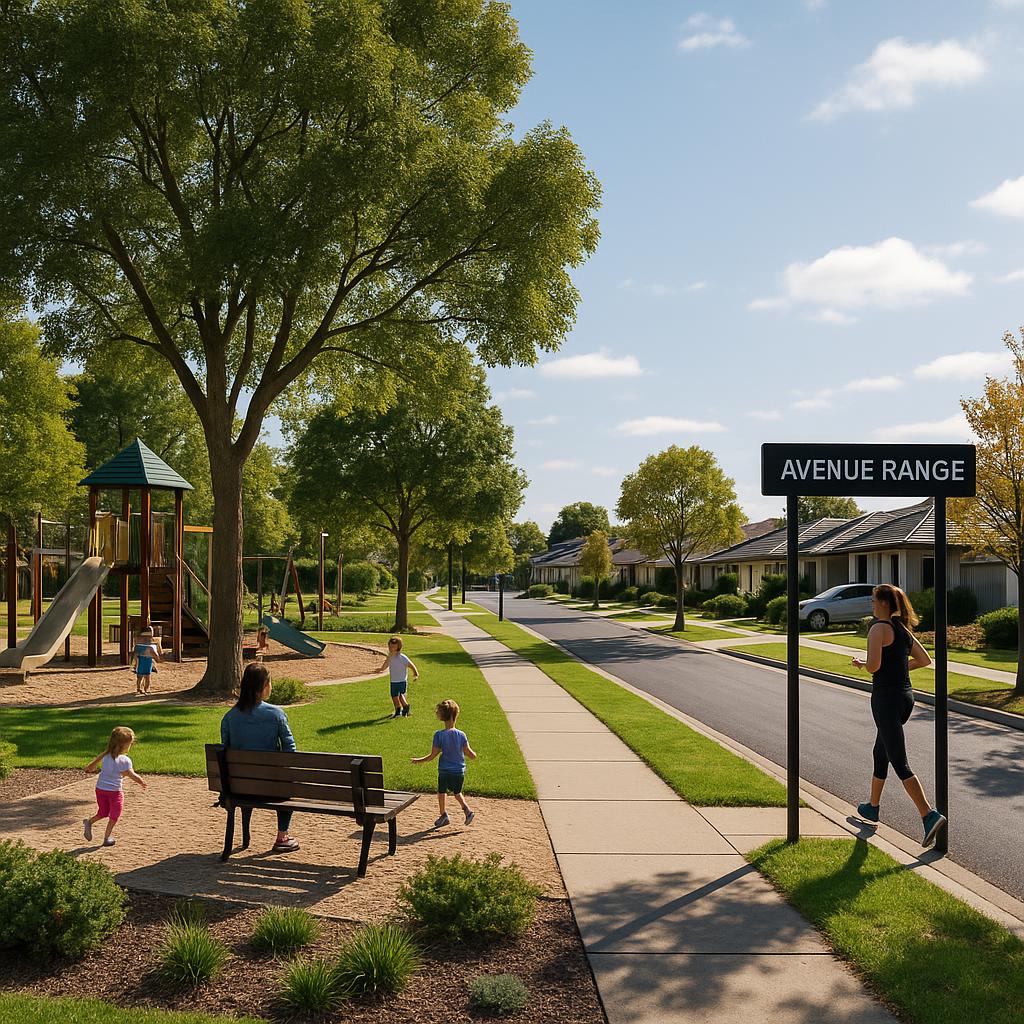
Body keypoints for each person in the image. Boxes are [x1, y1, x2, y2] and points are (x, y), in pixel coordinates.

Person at [852, 583, 946, 847]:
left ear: (884, 603)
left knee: (899, 761)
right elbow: (924, 660)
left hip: (886, 699)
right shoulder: (902, 629)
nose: (872, 604)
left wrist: (865, 664)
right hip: (905, 698)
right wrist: (893, 667)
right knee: (880, 752)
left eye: (874, 600)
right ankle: (872, 807)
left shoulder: (878, 628)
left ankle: (928, 815)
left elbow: (875, 667)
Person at [220, 662, 300, 853]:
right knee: (286, 784)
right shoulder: (276, 714)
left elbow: (226, 751)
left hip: (240, 787)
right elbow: (290, 750)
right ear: (265, 685)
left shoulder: (229, 717)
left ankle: (245, 834)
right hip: (272, 788)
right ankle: (282, 836)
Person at [411, 699, 477, 827]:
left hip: (444, 771)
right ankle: (467, 810)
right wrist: (473, 755)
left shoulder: (439, 735)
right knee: (457, 792)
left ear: (442, 716)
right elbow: (469, 753)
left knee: (442, 793)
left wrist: (419, 760)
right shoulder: (461, 735)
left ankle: (443, 815)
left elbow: (432, 756)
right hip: (459, 771)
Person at [83, 726, 147, 847]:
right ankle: (106, 838)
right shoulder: (125, 760)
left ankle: (89, 822)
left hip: (100, 789)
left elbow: (92, 765)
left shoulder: (106, 755)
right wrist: (141, 781)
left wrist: (89, 768)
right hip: (115, 792)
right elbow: (130, 774)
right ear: (125, 745)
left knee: (103, 812)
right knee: (114, 815)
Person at [377, 636, 419, 718]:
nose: (391, 648)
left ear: (398, 647)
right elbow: (386, 664)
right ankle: (398, 710)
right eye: (390, 646)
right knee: (394, 696)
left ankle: (405, 707)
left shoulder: (402, 657)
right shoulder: (390, 657)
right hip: (393, 681)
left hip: (402, 680)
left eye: (393, 647)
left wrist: (415, 673)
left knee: (400, 696)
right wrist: (381, 669)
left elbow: (411, 665)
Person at [130, 627, 162, 695]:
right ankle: (141, 688)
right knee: (142, 676)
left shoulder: (146, 644)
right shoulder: (144, 644)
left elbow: (136, 654)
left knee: (145, 676)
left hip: (146, 661)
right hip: (143, 661)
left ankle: (144, 689)